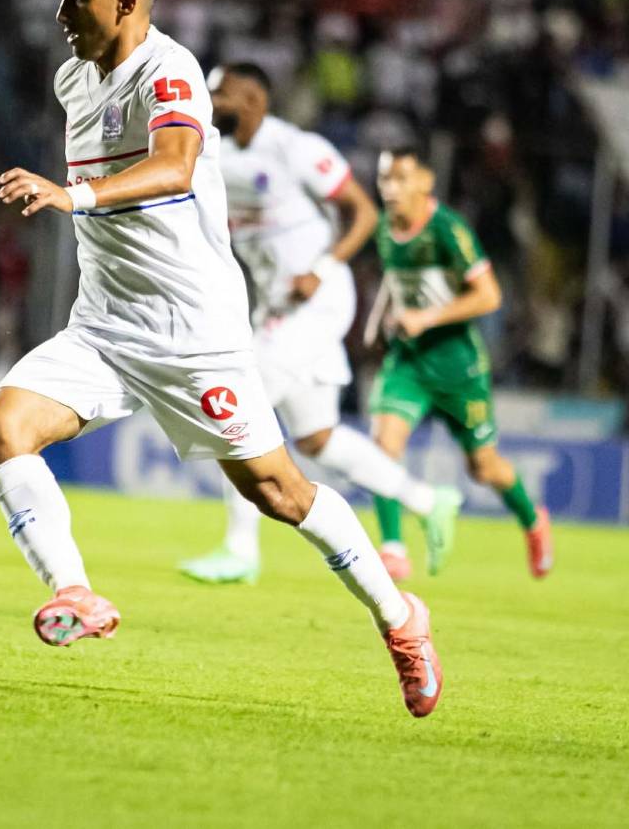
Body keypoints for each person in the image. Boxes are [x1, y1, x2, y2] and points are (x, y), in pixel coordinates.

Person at [0, 0, 444, 717]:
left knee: (281, 492)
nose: (61, 10)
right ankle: (77, 595)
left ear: (124, 0)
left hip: (196, 335)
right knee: (2, 431)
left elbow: (176, 167)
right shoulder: (72, 81)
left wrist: (72, 194)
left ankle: (402, 623)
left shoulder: (172, 71)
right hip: (104, 328)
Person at [178, 63, 462, 585]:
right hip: (275, 307)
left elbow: (364, 213)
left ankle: (241, 549)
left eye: (222, 94)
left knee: (236, 402)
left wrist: (322, 268)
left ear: (254, 99)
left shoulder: (297, 148)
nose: (212, 102)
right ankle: (429, 500)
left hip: (319, 300)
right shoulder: (210, 154)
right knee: (318, 440)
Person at [368, 147, 553, 580]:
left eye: (400, 179)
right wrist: (384, 319)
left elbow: (489, 295)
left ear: (426, 182)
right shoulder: (383, 229)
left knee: (484, 468)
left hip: (457, 367)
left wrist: (425, 317)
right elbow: (399, 286)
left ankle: (532, 520)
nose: (390, 189)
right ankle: (393, 548)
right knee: (383, 448)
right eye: (384, 180)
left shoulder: (448, 229)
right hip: (409, 363)